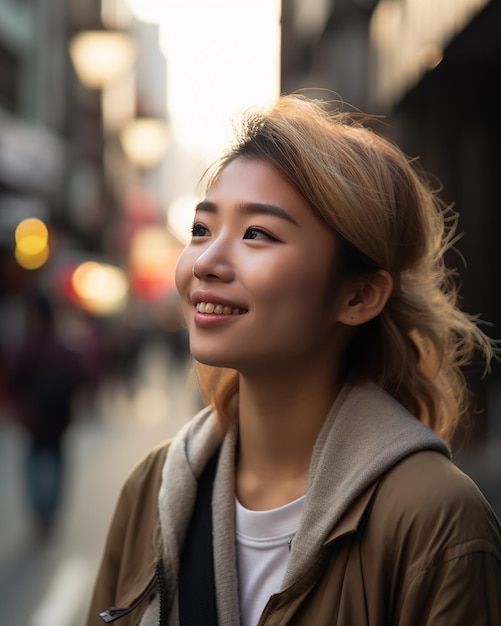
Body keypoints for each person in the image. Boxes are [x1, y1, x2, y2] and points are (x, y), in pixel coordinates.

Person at [86, 95, 501, 626]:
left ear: (359, 297)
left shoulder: (437, 519)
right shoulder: (153, 487)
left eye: (257, 233)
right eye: (201, 229)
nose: (206, 262)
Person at [7, 289, 83, 536]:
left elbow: (13, 378)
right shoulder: (62, 345)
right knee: (57, 460)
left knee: (33, 460)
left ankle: (40, 510)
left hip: (34, 418)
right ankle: (50, 509)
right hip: (59, 417)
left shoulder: (27, 346)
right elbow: (79, 375)